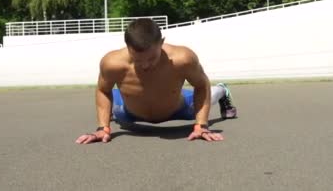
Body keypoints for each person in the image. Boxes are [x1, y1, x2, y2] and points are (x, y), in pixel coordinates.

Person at [75, 18, 237, 144]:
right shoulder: (112, 63)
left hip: (179, 108)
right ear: (127, 46)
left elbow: (201, 84)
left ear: (161, 42)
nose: (145, 65)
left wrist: (201, 125)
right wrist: (103, 128)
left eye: (152, 58)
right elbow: (103, 90)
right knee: (115, 104)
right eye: (137, 59)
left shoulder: (182, 58)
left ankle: (223, 90)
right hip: (127, 112)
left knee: (209, 95)